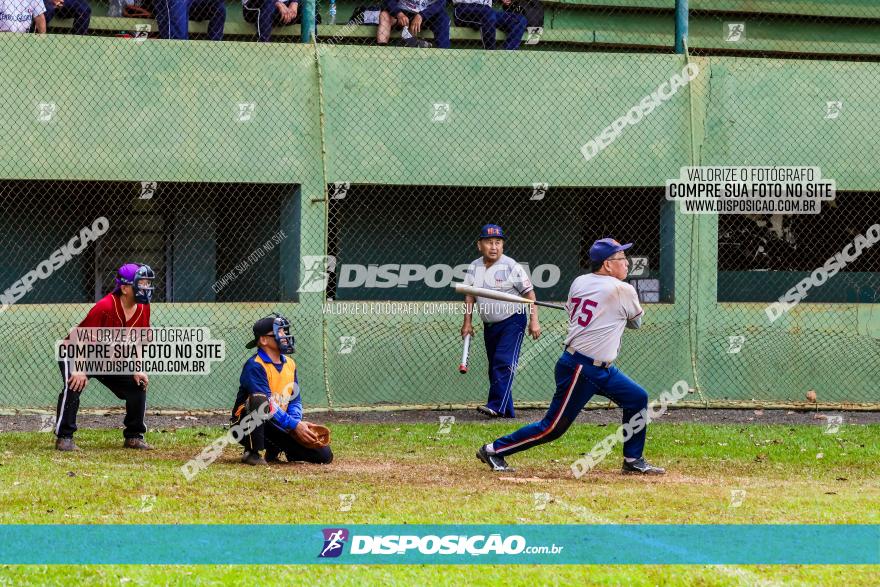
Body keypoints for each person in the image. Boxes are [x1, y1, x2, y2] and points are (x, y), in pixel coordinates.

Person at [476, 238, 666, 475]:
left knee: (637, 398)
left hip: (600, 368)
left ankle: (633, 460)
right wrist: (618, 314)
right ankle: (494, 450)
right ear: (607, 265)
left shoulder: (580, 281)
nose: (626, 263)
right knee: (552, 428)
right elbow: (636, 323)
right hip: (581, 368)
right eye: (621, 259)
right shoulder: (622, 290)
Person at [55, 263, 155, 452]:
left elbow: (140, 339)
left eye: (147, 283)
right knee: (74, 384)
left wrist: (138, 368)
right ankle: (64, 438)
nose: (145, 288)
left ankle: (134, 436)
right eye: (140, 283)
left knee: (137, 385)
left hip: (107, 358)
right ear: (125, 288)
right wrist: (79, 369)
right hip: (76, 351)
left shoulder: (143, 306)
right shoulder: (105, 306)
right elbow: (80, 339)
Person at [461, 224, 540, 419]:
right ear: (480, 245)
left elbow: (530, 294)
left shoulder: (511, 266)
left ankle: (496, 406)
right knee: (495, 366)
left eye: (498, 242)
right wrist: (467, 322)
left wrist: (534, 320)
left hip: (512, 321)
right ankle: (506, 412)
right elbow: (470, 296)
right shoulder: (474, 267)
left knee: (503, 363)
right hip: (490, 325)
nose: (494, 247)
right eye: (489, 242)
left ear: (503, 246)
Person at [232, 314, 333, 466]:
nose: (285, 336)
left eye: (285, 332)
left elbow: (295, 399)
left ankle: (276, 450)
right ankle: (252, 453)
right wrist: (293, 425)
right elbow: (267, 405)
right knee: (260, 399)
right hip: (244, 426)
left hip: (276, 422)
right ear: (264, 340)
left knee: (324, 455)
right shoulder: (255, 365)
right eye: (279, 332)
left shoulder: (290, 364)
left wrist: (297, 425)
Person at [452, 0, 525, 50]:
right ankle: (490, 55)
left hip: (488, 11)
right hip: (463, 8)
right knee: (488, 13)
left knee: (520, 20)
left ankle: (506, 55)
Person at [384, 0, 449, 48]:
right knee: (385, 14)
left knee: (443, 17)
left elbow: (441, 3)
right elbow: (388, 1)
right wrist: (398, 13)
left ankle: (444, 52)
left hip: (426, 14)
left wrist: (422, 15)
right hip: (404, 13)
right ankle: (406, 41)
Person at [242, 0, 315, 43]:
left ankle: (312, 47)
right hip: (256, 4)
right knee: (269, 4)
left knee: (309, 6)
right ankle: (264, 46)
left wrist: (294, 2)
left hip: (285, 7)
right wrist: (276, 2)